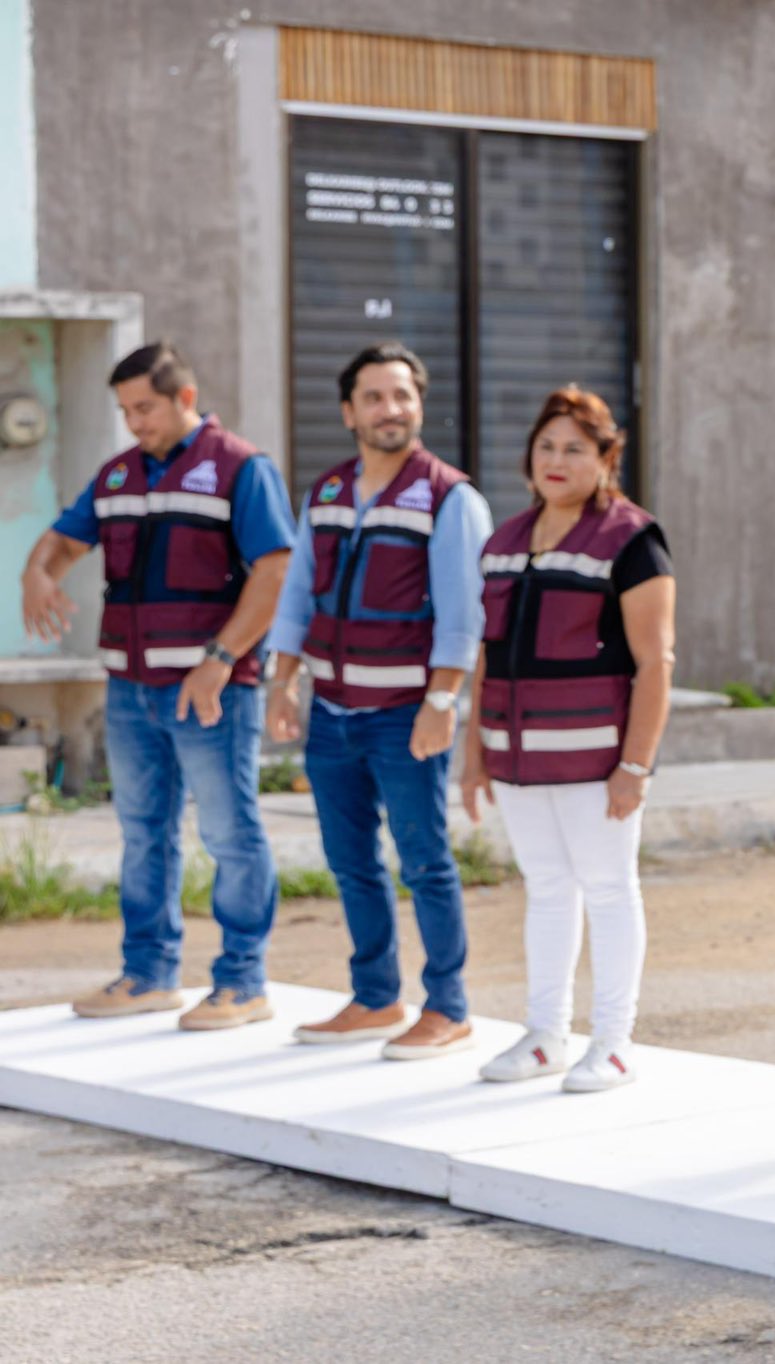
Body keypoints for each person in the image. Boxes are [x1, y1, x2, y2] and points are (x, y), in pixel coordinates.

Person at [19, 342, 296, 1029]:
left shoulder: (241, 468)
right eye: (125, 410)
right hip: (130, 690)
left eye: (144, 407)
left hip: (211, 690)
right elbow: (63, 538)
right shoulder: (117, 475)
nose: (134, 421)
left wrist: (222, 656)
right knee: (143, 833)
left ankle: (243, 981)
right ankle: (149, 974)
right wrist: (37, 572)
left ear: (186, 398)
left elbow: (276, 570)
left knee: (230, 835)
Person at [265, 343, 492, 1059]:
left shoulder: (450, 497)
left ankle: (448, 1006)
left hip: (405, 711)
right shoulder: (326, 493)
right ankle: (374, 996)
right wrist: (282, 681)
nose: (390, 409)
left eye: (402, 395)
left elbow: (465, 611)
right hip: (331, 710)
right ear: (348, 411)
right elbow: (298, 590)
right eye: (374, 396)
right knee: (350, 860)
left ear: (419, 405)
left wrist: (442, 698)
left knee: (424, 860)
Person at [460, 386, 676, 1092]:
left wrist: (636, 765)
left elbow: (655, 662)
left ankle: (613, 1043)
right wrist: (475, 756)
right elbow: (487, 653)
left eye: (575, 449)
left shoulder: (631, 539)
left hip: (596, 758)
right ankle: (546, 1035)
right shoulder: (503, 542)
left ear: (607, 459)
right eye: (546, 446)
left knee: (610, 890)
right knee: (548, 889)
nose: (557, 461)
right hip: (517, 756)